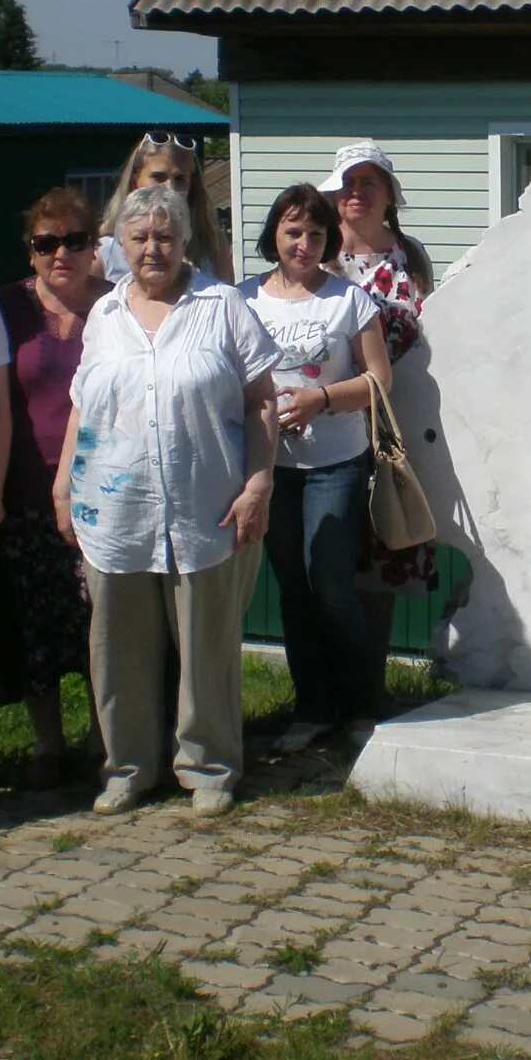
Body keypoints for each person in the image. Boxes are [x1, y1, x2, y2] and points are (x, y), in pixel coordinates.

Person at [55, 185, 280, 818]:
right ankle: (127, 767)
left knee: (206, 650)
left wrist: (259, 481)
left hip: (205, 505)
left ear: (184, 240)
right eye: (139, 238)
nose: (152, 248)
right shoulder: (104, 315)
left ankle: (208, 766)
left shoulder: (224, 305)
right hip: (115, 510)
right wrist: (64, 483)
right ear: (120, 246)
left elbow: (262, 398)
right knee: (117, 650)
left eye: (165, 236)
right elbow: (83, 403)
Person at [239, 184, 392, 752]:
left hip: (335, 462)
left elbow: (380, 380)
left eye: (316, 234)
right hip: (267, 465)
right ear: (274, 235)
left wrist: (319, 400)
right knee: (293, 590)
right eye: (293, 232)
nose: (303, 244)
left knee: (330, 584)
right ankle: (311, 709)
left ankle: (358, 705)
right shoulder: (243, 298)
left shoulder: (348, 300)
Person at [0, 187, 110, 788]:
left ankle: (107, 741)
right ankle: (48, 747)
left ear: (93, 247)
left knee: (103, 628)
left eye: (75, 241)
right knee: (37, 627)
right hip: (29, 490)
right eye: (47, 243)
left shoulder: (119, 305)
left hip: (108, 493)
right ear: (30, 251)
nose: (62, 253)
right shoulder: (2, 308)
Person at [320, 141, 434, 726]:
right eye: (348, 183)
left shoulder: (410, 258)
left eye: (370, 182)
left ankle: (369, 689)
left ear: (389, 194)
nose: (357, 193)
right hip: (320, 430)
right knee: (324, 561)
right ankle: (324, 696)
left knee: (379, 559)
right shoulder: (315, 257)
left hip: (389, 429)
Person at [97, 131, 234, 287]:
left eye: (180, 179)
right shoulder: (105, 251)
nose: (170, 187)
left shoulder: (212, 244)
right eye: (159, 177)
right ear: (135, 180)